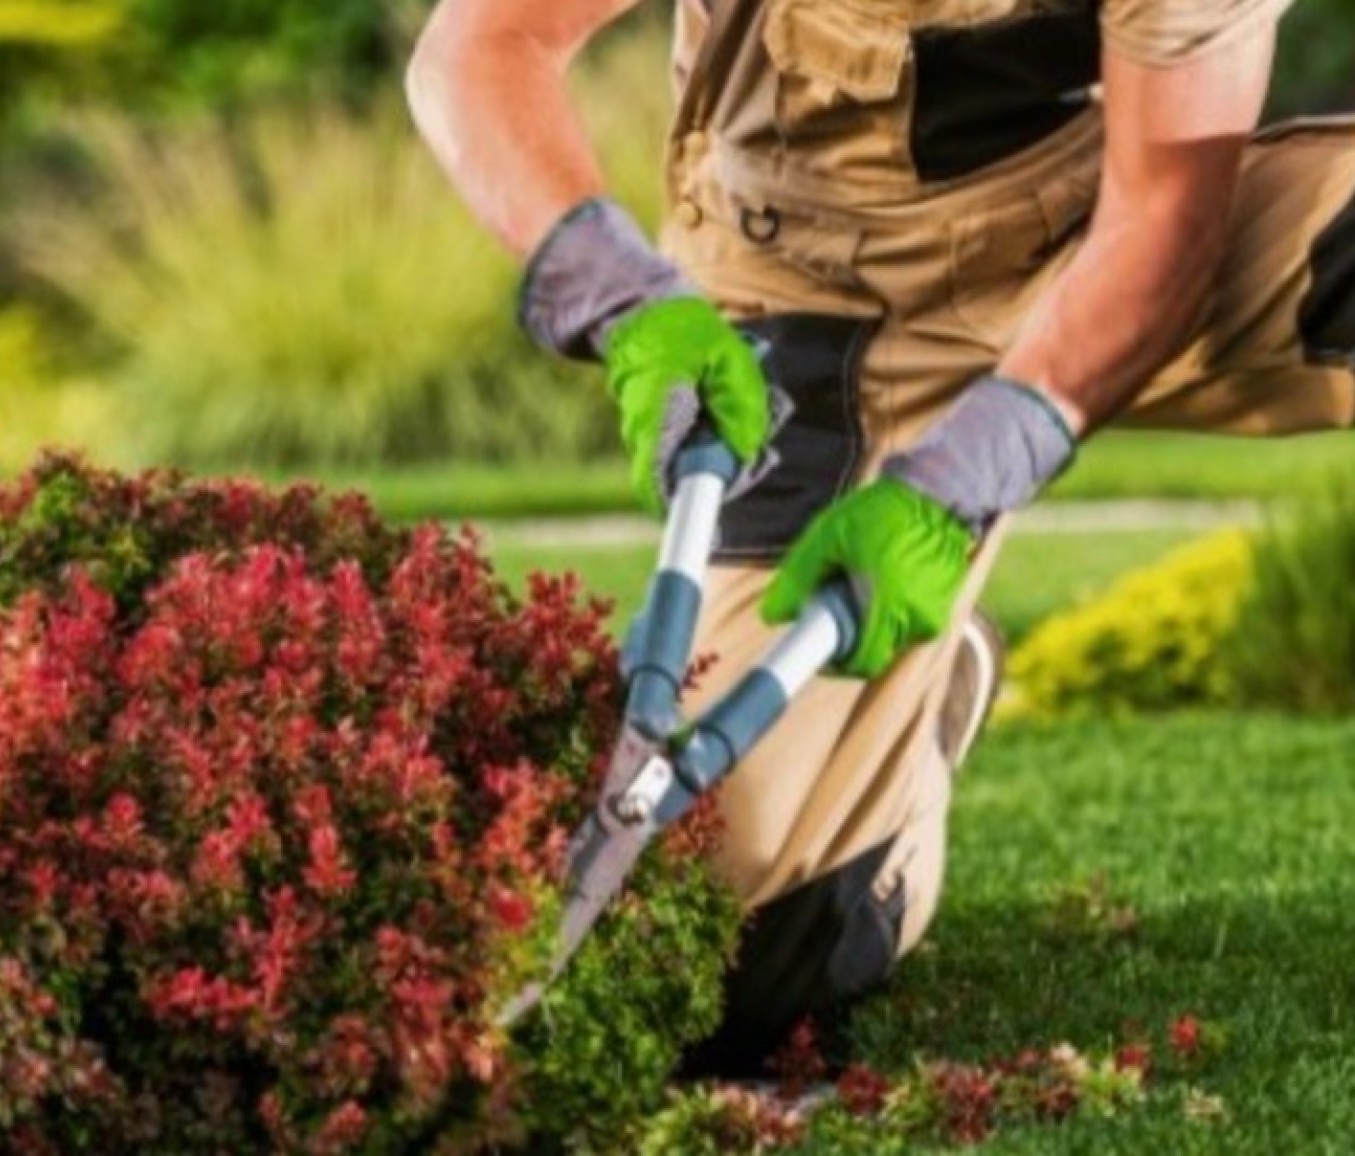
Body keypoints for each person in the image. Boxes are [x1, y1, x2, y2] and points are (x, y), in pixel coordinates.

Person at [408, 0, 1354, 1072]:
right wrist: (627, 302)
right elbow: (478, 51)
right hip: (817, 285)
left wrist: (968, 474)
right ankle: (927, 709)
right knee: (733, 939)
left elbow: (1164, 220)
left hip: (1112, 241)